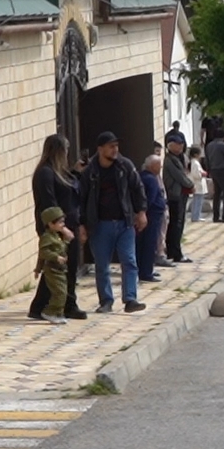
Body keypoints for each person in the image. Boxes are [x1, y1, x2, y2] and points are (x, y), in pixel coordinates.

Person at [78, 131, 147, 313]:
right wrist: (82, 224)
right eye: (111, 146)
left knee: (129, 261)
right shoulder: (90, 172)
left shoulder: (125, 166)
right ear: (100, 149)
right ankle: (106, 301)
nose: (115, 149)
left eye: (116, 146)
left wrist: (141, 212)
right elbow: (81, 198)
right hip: (100, 224)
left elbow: (137, 188)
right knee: (102, 265)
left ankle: (130, 299)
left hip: (124, 222)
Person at [28, 135, 87, 321]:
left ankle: (54, 304)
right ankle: (56, 305)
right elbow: (49, 204)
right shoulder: (45, 173)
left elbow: (68, 190)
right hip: (55, 229)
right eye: (65, 150)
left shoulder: (58, 171)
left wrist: (76, 172)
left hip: (67, 224)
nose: (67, 154)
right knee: (58, 267)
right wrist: (61, 228)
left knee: (62, 266)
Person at [35, 206, 73, 325]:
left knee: (63, 292)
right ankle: (49, 312)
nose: (63, 225)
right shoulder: (47, 237)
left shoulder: (56, 236)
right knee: (59, 292)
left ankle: (58, 313)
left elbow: (61, 248)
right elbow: (43, 253)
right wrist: (55, 258)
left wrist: (67, 240)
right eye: (60, 222)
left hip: (60, 269)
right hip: (52, 269)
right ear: (51, 224)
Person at [162, 136, 194, 263]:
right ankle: (175, 253)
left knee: (177, 223)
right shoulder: (170, 160)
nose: (180, 146)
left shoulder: (180, 158)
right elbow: (180, 176)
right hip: (175, 195)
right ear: (170, 146)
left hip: (181, 194)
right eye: (177, 144)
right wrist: (191, 185)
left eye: (182, 144)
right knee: (176, 224)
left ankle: (173, 251)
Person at [137, 155, 167, 283]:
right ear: (152, 166)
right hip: (152, 215)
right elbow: (150, 198)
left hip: (149, 214)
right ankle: (146, 272)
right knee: (149, 243)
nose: (160, 167)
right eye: (158, 165)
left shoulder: (143, 176)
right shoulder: (150, 179)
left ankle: (144, 269)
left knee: (143, 243)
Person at [205, 130, 224, 223]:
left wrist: (209, 170)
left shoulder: (209, 145)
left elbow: (206, 159)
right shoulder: (223, 145)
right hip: (222, 169)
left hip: (213, 170)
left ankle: (216, 216)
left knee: (217, 193)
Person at [185, 146, 207, 226]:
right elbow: (196, 174)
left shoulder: (194, 162)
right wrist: (202, 174)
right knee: (197, 201)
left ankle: (197, 215)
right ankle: (195, 216)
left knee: (198, 201)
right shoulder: (195, 163)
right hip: (197, 184)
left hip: (198, 184)